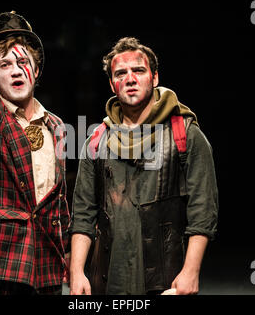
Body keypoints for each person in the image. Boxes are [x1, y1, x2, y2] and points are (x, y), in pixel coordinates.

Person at [69, 37, 218, 295]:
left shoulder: (185, 135)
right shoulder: (96, 141)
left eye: (138, 70)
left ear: (154, 77)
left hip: (166, 283)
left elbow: (203, 210)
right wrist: (77, 273)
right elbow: (83, 215)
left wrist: (191, 272)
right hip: (107, 282)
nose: (130, 78)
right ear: (112, 84)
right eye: (120, 73)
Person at [0, 11, 70, 295]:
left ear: (37, 70)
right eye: (4, 64)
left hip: (47, 267)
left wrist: (70, 257)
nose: (16, 70)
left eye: (23, 62)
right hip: (2, 267)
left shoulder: (56, 126)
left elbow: (59, 202)